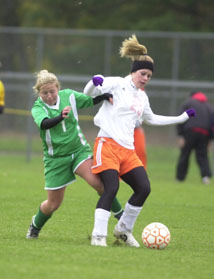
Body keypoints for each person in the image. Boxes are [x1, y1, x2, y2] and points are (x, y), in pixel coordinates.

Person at [83, 35, 196, 247]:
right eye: (143, 73)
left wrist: (181, 118)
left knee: (144, 187)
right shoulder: (116, 83)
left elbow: (151, 118)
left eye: (149, 76)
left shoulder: (142, 97)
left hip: (127, 150)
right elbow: (87, 95)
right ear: (133, 71)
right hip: (107, 145)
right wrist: (93, 82)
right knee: (112, 188)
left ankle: (123, 230)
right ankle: (98, 236)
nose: (145, 78)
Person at [26, 70, 123, 239]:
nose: (49, 96)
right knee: (53, 205)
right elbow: (45, 124)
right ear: (39, 92)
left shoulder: (69, 95)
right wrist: (60, 116)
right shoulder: (37, 107)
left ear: (58, 88)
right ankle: (35, 225)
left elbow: (89, 100)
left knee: (99, 184)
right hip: (56, 159)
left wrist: (104, 96)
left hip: (79, 151)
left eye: (52, 91)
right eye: (44, 93)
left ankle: (122, 221)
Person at [175, 91, 212, 184]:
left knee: (185, 155)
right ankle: (206, 177)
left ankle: (180, 178)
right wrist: (210, 139)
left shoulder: (188, 102)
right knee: (202, 156)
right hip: (204, 133)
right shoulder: (208, 106)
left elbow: (180, 118)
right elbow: (212, 124)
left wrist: (181, 135)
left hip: (190, 132)